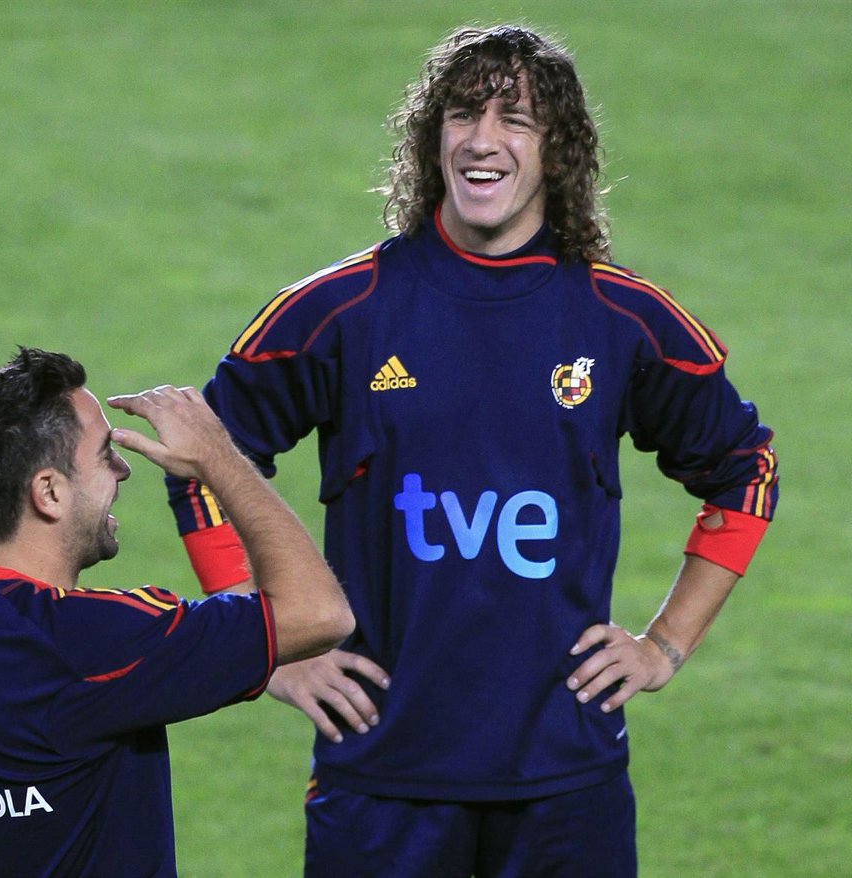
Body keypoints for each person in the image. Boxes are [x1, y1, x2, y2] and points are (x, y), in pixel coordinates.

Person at [165, 24, 779, 877]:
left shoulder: (623, 321)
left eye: (515, 119)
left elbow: (746, 470)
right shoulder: (341, 311)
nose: (482, 139)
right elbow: (206, 460)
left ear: (558, 152)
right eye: (463, 114)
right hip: (381, 778)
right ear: (433, 138)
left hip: (567, 782)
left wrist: (664, 644)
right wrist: (259, 646)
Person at [0, 347, 354, 878]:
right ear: (48, 492)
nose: (122, 469)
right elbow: (319, 613)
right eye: (104, 454)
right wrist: (217, 458)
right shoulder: (94, 642)